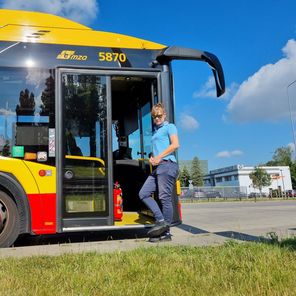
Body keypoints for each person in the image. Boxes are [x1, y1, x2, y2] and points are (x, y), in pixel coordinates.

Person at [139, 103, 179, 242]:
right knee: (143, 193)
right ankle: (161, 220)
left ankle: (166, 233)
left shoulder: (170, 127)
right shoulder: (156, 131)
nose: (157, 118)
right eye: (154, 116)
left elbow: (175, 145)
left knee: (164, 198)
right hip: (158, 167)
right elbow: (157, 150)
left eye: (159, 115)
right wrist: (152, 157)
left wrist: (159, 157)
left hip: (167, 165)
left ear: (164, 115)